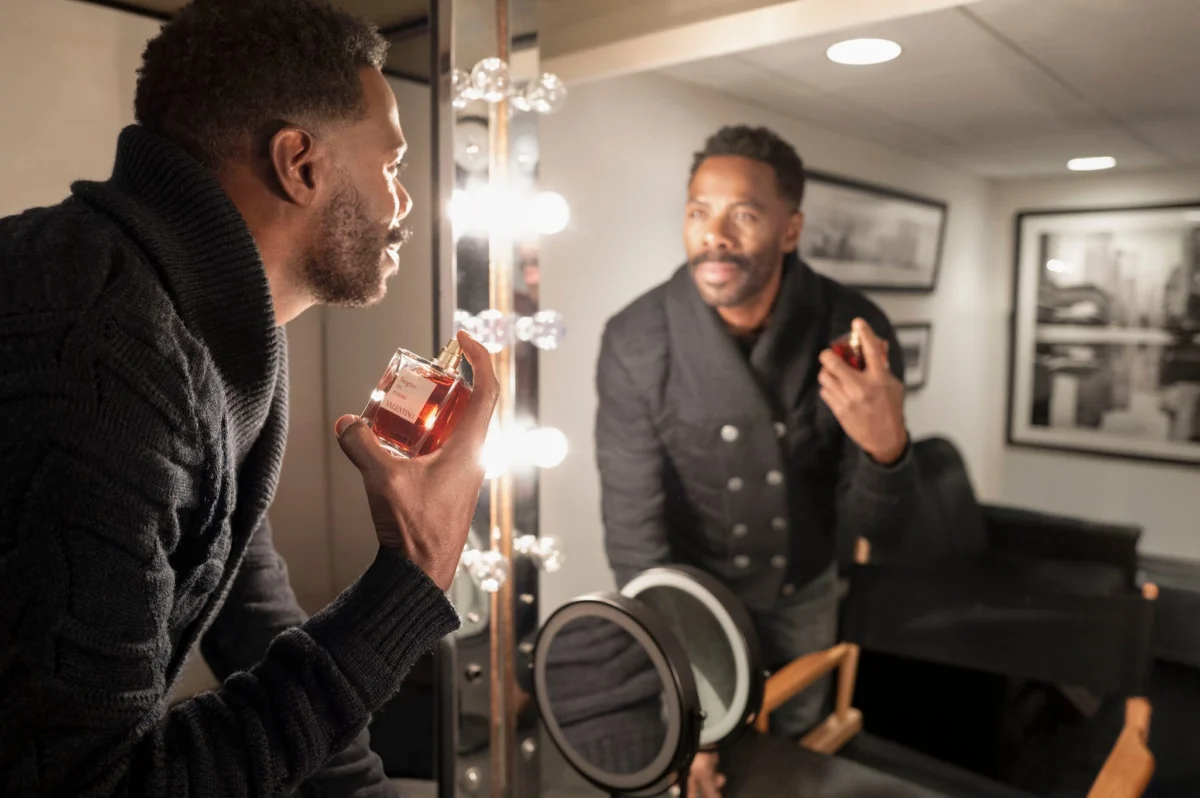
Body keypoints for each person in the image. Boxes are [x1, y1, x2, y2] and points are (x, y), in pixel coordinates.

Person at [0, 1, 497, 795]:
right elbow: (89, 785)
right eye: (393, 166)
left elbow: (259, 626)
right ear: (300, 162)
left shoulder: (197, 327)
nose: (402, 205)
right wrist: (416, 572)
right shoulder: (103, 359)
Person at [595, 126, 921, 793]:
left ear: (790, 229)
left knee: (796, 747)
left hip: (805, 585)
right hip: (689, 593)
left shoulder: (854, 331)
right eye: (698, 211)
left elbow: (880, 532)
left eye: (743, 214)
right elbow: (634, 532)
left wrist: (887, 447)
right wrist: (697, 722)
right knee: (694, 764)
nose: (715, 234)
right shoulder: (636, 339)